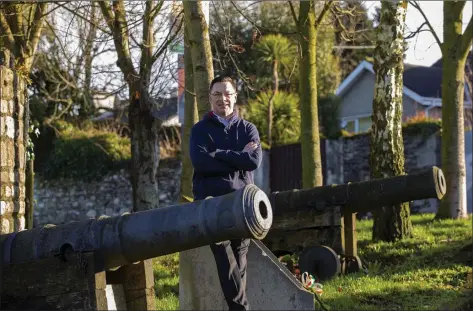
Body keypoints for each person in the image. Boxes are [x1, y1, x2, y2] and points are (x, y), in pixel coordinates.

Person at [189, 75, 262, 310]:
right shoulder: (199, 130)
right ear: (210, 98)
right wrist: (238, 155)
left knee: (240, 260)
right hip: (212, 203)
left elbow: (253, 161)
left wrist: (219, 153)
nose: (223, 99)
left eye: (227, 93)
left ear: (235, 96)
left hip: (242, 203)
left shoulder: (249, 129)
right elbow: (201, 163)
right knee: (223, 253)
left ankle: (238, 307)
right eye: (217, 94)